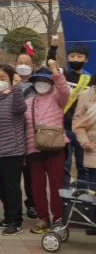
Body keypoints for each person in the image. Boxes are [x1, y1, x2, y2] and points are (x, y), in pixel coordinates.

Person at [24, 62, 69, 234]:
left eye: (45, 80)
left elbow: (64, 90)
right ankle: (43, 217)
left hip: (55, 147)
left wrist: (55, 72)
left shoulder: (58, 98)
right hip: (34, 148)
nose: (41, 84)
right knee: (37, 185)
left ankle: (58, 217)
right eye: (38, 81)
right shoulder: (28, 102)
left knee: (57, 184)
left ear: (51, 83)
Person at [48, 40, 91, 187]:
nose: (75, 59)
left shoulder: (90, 79)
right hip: (63, 128)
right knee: (64, 166)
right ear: (67, 58)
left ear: (86, 59)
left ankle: (83, 196)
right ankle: (65, 195)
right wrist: (53, 48)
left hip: (82, 129)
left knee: (83, 166)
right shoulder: (63, 74)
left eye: (79, 56)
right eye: (72, 56)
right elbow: (51, 64)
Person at [0, 64, 27, 236]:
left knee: (12, 187)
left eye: (3, 78)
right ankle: (7, 216)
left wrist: (17, 87)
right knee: (2, 185)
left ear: (11, 80)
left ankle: (16, 221)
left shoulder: (15, 95)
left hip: (13, 149)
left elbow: (21, 108)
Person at [15, 52, 39, 219]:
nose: (23, 65)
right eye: (20, 62)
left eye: (27, 62)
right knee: (13, 176)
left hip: (31, 135)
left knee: (32, 174)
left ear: (32, 66)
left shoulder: (38, 85)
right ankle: (13, 208)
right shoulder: (9, 83)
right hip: (13, 135)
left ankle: (32, 204)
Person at [73, 79, 96, 236]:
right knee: (94, 188)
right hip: (93, 148)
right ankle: (93, 222)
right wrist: (84, 141)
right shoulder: (86, 95)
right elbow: (78, 122)